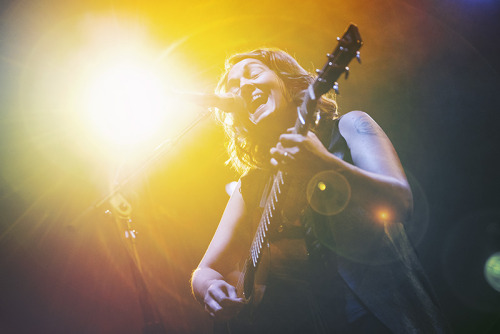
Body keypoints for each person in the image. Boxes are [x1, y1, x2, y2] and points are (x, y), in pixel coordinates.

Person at [191, 48, 446, 333]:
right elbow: (205, 270)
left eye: (253, 73)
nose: (245, 86)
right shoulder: (250, 186)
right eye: (234, 87)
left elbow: (401, 201)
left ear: (285, 80)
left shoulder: (350, 126)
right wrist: (211, 288)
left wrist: (324, 164)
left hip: (385, 318)